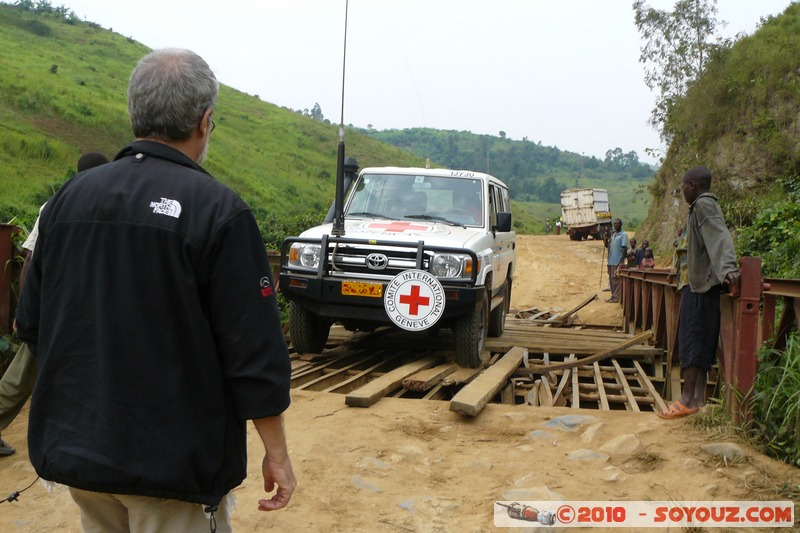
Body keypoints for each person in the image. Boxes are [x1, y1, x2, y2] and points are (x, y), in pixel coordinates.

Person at [16, 49, 295, 531]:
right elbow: (253, 354)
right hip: (171, 472)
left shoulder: (67, 201)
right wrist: (278, 454)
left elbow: (32, 323)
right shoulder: (218, 212)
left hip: (81, 458)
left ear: (134, 113)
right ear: (205, 121)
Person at [0, 152, 109, 457]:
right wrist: (27, 311)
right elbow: (32, 259)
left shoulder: (60, 201)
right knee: (22, 376)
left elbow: (30, 259)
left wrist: (27, 309)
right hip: (64, 311)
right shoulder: (72, 204)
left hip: (58, 309)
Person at [658, 166, 740, 419]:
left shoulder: (703, 206)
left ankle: (685, 400)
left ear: (692, 185)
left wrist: (728, 269)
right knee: (702, 343)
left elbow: (720, 237)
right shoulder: (701, 207)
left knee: (692, 342)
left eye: (683, 185)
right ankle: (697, 400)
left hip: (700, 286)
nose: (682, 191)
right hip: (703, 284)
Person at [602, 218, 629, 303]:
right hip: (611, 261)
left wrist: (621, 262)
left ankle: (617, 297)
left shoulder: (623, 234)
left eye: (617, 224)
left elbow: (624, 249)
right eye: (614, 224)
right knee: (611, 280)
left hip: (617, 261)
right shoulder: (613, 235)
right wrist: (605, 239)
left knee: (616, 279)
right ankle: (613, 296)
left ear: (621, 225)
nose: (615, 225)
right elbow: (608, 246)